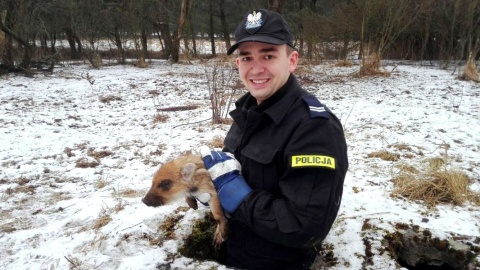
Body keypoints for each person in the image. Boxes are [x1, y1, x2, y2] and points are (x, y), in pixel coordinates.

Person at [199, 9, 348, 270]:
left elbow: (305, 227)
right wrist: (213, 191)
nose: (256, 69)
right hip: (237, 250)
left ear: (292, 61)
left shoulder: (313, 129)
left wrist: (239, 199)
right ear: (238, 65)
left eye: (268, 55)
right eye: (246, 57)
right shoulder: (247, 113)